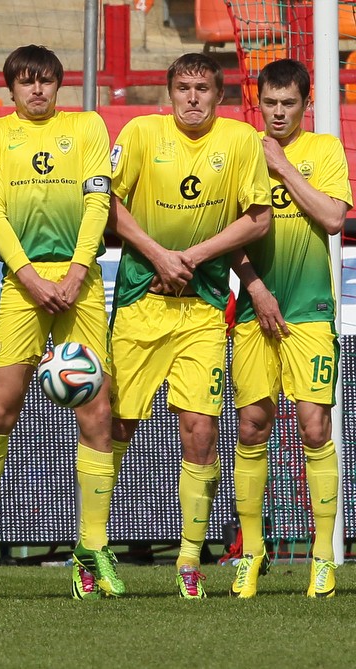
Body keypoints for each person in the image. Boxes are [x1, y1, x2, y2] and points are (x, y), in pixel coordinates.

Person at [106, 52, 272, 599]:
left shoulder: (241, 141)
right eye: (184, 88)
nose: (193, 98)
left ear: (218, 96)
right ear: (169, 93)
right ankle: (93, 548)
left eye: (203, 88)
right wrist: (158, 255)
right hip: (139, 301)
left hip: (202, 308)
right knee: (117, 427)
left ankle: (188, 559)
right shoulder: (140, 133)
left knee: (200, 430)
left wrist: (192, 257)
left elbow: (259, 217)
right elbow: (106, 202)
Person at [0, 44, 122, 601]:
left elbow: (98, 202)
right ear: (11, 89)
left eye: (47, 81)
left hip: (82, 283)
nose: (37, 90)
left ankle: (91, 548)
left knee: (96, 413)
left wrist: (78, 272)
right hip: (21, 285)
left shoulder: (88, 127)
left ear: (60, 85)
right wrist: (29, 276)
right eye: (27, 82)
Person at [230, 58, 352, 598]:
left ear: (306, 105)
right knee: (253, 426)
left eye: (289, 104)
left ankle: (323, 555)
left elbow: (332, 218)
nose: (279, 113)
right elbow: (228, 235)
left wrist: (282, 168)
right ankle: (250, 553)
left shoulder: (322, 150)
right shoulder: (239, 151)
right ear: (259, 102)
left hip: (310, 312)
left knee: (314, 427)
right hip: (256, 310)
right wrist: (255, 289)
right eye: (271, 104)